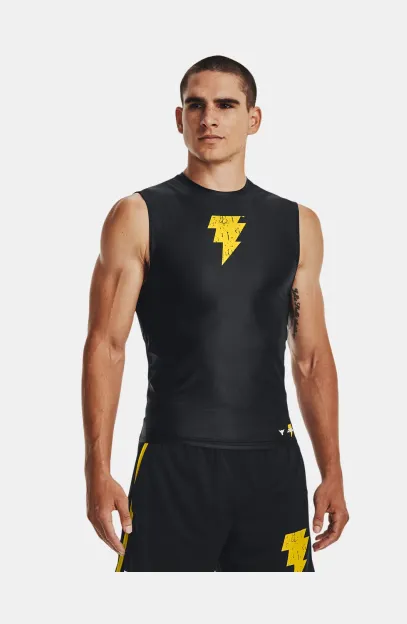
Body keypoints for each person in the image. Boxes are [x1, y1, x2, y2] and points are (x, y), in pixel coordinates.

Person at [82, 55, 349, 572]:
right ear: (178, 118)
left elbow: (312, 357)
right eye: (195, 105)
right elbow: (106, 347)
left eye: (226, 105)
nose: (209, 118)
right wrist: (97, 467)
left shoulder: (297, 223)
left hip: (272, 466)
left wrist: (332, 470)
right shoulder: (138, 215)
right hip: (173, 462)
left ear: (253, 119)